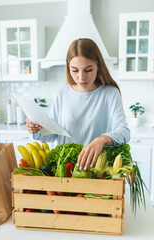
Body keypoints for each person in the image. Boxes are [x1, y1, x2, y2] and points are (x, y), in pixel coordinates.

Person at [26, 38, 130, 171]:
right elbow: (53, 134)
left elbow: (124, 131)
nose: (81, 77)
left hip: (96, 171)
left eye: (88, 70)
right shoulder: (62, 93)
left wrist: (102, 140)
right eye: (75, 70)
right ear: (68, 67)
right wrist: (37, 129)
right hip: (64, 170)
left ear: (98, 66)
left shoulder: (109, 94)